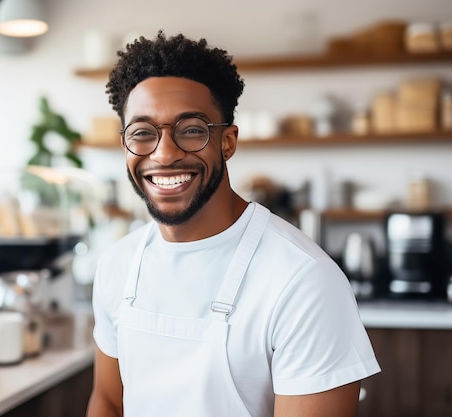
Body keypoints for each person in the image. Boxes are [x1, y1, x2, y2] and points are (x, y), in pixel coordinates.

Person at [86, 31, 380, 417]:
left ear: (227, 142)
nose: (165, 153)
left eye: (191, 130)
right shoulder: (117, 265)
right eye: (142, 133)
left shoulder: (303, 281)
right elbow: (108, 402)